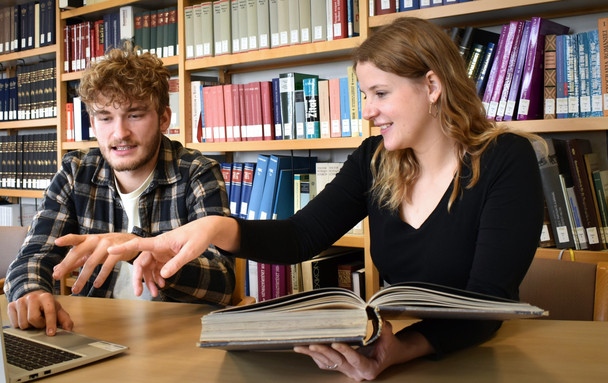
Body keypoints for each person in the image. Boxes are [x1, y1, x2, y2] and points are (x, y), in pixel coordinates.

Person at [104, 17, 545, 381]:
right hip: (399, 357)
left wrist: (400, 351)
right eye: (364, 95)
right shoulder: (375, 160)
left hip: (476, 363)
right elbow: (301, 236)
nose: (368, 111)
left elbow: (489, 303)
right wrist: (215, 228)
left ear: (432, 86)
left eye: (381, 94)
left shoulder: (507, 159)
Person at [4, 43, 236, 336]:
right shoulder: (76, 171)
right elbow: (34, 255)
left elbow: (223, 282)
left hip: (176, 334)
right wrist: (31, 292)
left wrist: (137, 247)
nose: (120, 133)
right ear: (93, 122)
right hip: (95, 330)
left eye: (135, 115)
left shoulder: (197, 173)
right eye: (105, 117)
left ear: (164, 118)